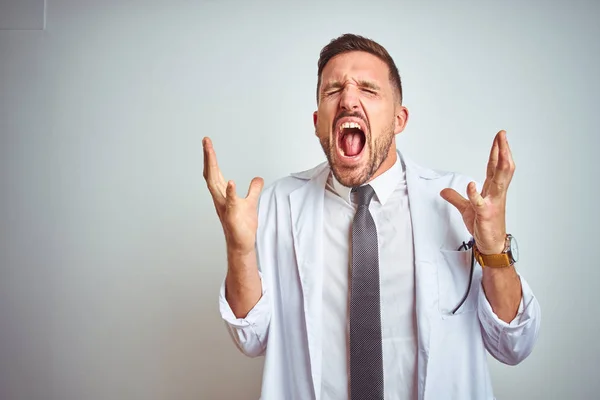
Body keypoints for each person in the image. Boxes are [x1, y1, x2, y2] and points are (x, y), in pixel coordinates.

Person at [203, 33, 541, 400]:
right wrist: (239, 250)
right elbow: (251, 339)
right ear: (318, 122)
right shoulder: (277, 204)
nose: (348, 99)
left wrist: (493, 252)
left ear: (399, 119)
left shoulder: (458, 202)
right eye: (333, 91)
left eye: (368, 89)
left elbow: (514, 345)